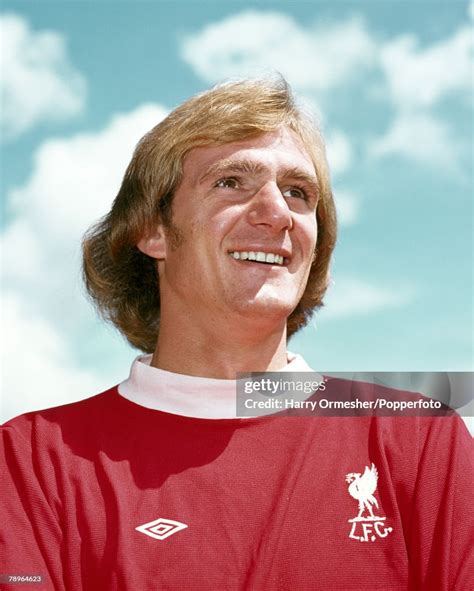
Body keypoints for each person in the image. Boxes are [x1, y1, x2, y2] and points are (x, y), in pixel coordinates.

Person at [1, 78, 472, 591]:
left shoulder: (420, 439)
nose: (276, 214)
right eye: (231, 182)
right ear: (152, 231)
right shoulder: (31, 463)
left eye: (298, 192)